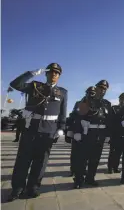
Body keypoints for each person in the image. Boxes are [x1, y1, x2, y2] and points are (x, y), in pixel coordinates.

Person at [8, 63, 67, 201]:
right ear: (46, 74)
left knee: (40, 163)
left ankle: (33, 187)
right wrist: (31, 73)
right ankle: (17, 188)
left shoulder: (63, 92)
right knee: (23, 161)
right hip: (31, 130)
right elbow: (15, 84)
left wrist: (61, 128)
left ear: (59, 76)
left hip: (48, 132)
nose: (53, 74)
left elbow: (63, 113)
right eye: (51, 72)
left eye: (56, 73)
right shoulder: (35, 85)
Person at [83, 80, 112, 186]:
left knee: (95, 158)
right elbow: (78, 115)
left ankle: (90, 178)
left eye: (104, 89)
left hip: (100, 134)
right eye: (100, 88)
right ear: (96, 88)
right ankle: (79, 179)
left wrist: (108, 134)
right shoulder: (87, 100)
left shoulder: (107, 103)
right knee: (83, 157)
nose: (102, 90)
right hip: (88, 132)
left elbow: (110, 120)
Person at [70, 86, 97, 188]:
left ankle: (90, 178)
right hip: (81, 134)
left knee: (93, 159)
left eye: (93, 93)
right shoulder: (80, 103)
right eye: (89, 93)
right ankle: (78, 180)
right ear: (86, 93)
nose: (91, 95)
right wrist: (75, 131)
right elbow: (74, 117)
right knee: (81, 159)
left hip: (93, 134)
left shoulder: (97, 104)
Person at [107, 92, 124, 174]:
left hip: (123, 134)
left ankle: (115, 167)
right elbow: (111, 121)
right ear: (119, 99)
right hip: (115, 133)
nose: (123, 100)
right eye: (122, 98)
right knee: (112, 152)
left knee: (119, 152)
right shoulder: (114, 108)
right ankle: (110, 168)